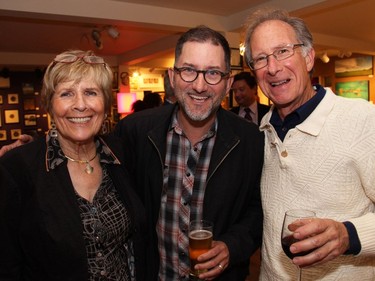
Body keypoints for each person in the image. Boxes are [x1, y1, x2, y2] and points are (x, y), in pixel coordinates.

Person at [114, 25, 264, 281]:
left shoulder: (251, 140)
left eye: (213, 73)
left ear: (228, 83)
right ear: (172, 77)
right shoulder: (135, 131)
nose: (199, 85)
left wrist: (231, 246)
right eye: (189, 70)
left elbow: (258, 211)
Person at [243, 8, 375, 280]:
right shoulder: (261, 132)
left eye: (283, 51)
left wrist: (349, 235)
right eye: (260, 59)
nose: (273, 67)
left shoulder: (362, 120)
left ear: (308, 57)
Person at [0, 50, 148, 280]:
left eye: (91, 92)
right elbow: (7, 264)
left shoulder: (121, 155)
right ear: (49, 105)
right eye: (67, 94)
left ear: (105, 103)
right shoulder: (17, 168)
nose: (80, 105)